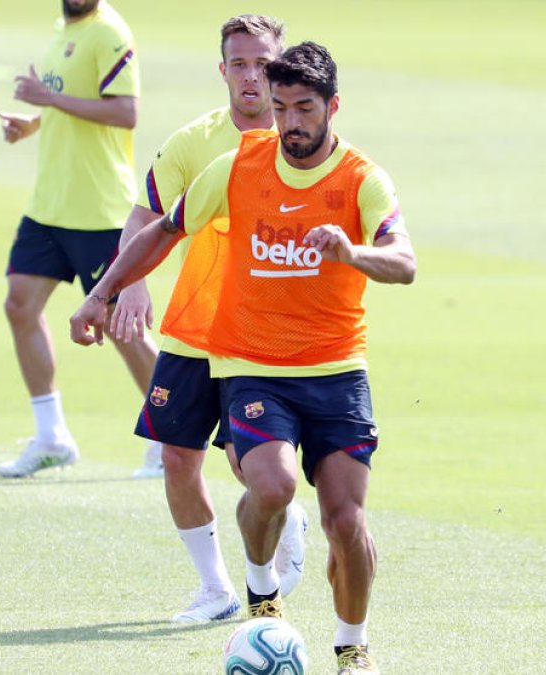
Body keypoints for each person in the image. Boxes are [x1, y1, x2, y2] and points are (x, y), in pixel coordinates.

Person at [71, 42, 415, 673]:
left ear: (333, 107)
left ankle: (352, 647)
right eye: (281, 108)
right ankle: (261, 588)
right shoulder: (237, 166)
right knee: (273, 485)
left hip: (337, 370)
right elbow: (163, 230)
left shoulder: (363, 178)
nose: (290, 122)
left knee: (346, 520)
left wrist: (352, 253)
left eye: (304, 108)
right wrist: (102, 294)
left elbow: (404, 261)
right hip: (252, 366)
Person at [107, 14, 308, 623]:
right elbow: (144, 216)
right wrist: (132, 281)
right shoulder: (193, 141)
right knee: (176, 455)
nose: (250, 76)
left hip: (264, 334)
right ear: (223, 70)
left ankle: (285, 520)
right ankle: (215, 590)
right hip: (196, 326)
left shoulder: (302, 143)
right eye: (238, 64)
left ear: (280, 68)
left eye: (262, 64)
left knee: (248, 462)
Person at [0, 0, 159, 479]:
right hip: (51, 204)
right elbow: (72, 104)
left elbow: (125, 112)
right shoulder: (63, 29)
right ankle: (52, 437)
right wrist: (33, 123)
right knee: (20, 305)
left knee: (121, 326)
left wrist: (47, 99)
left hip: (99, 208)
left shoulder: (110, 33)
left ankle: (169, 439)